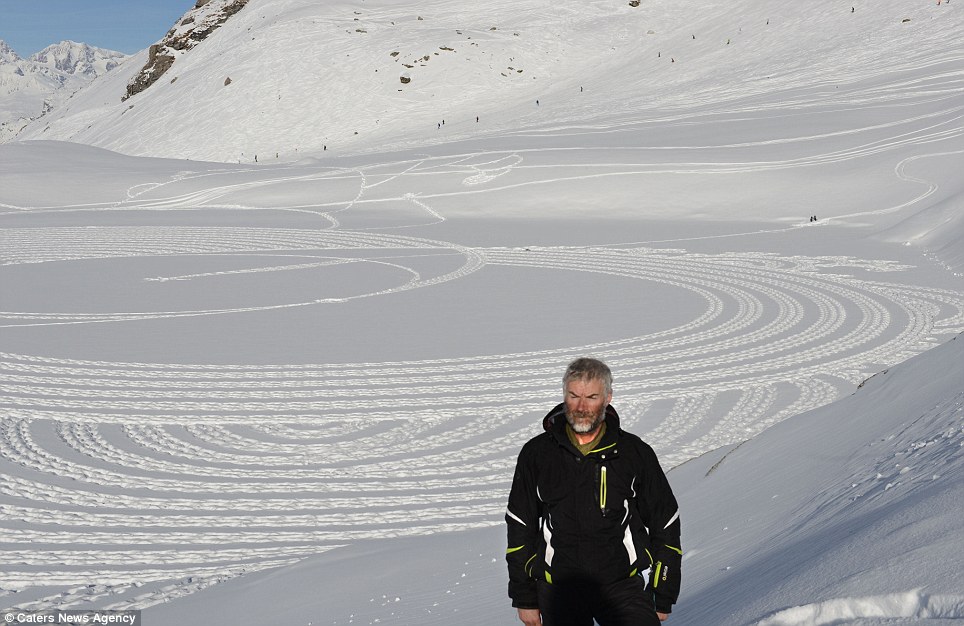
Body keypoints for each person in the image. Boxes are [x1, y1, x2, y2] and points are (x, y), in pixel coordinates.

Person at [506, 358, 682, 625]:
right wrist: (525, 598)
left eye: (591, 397)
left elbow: (665, 522)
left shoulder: (633, 453)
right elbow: (520, 524)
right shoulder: (538, 454)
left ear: (608, 397)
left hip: (621, 586)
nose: (581, 407)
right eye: (574, 396)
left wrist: (663, 592)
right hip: (559, 588)